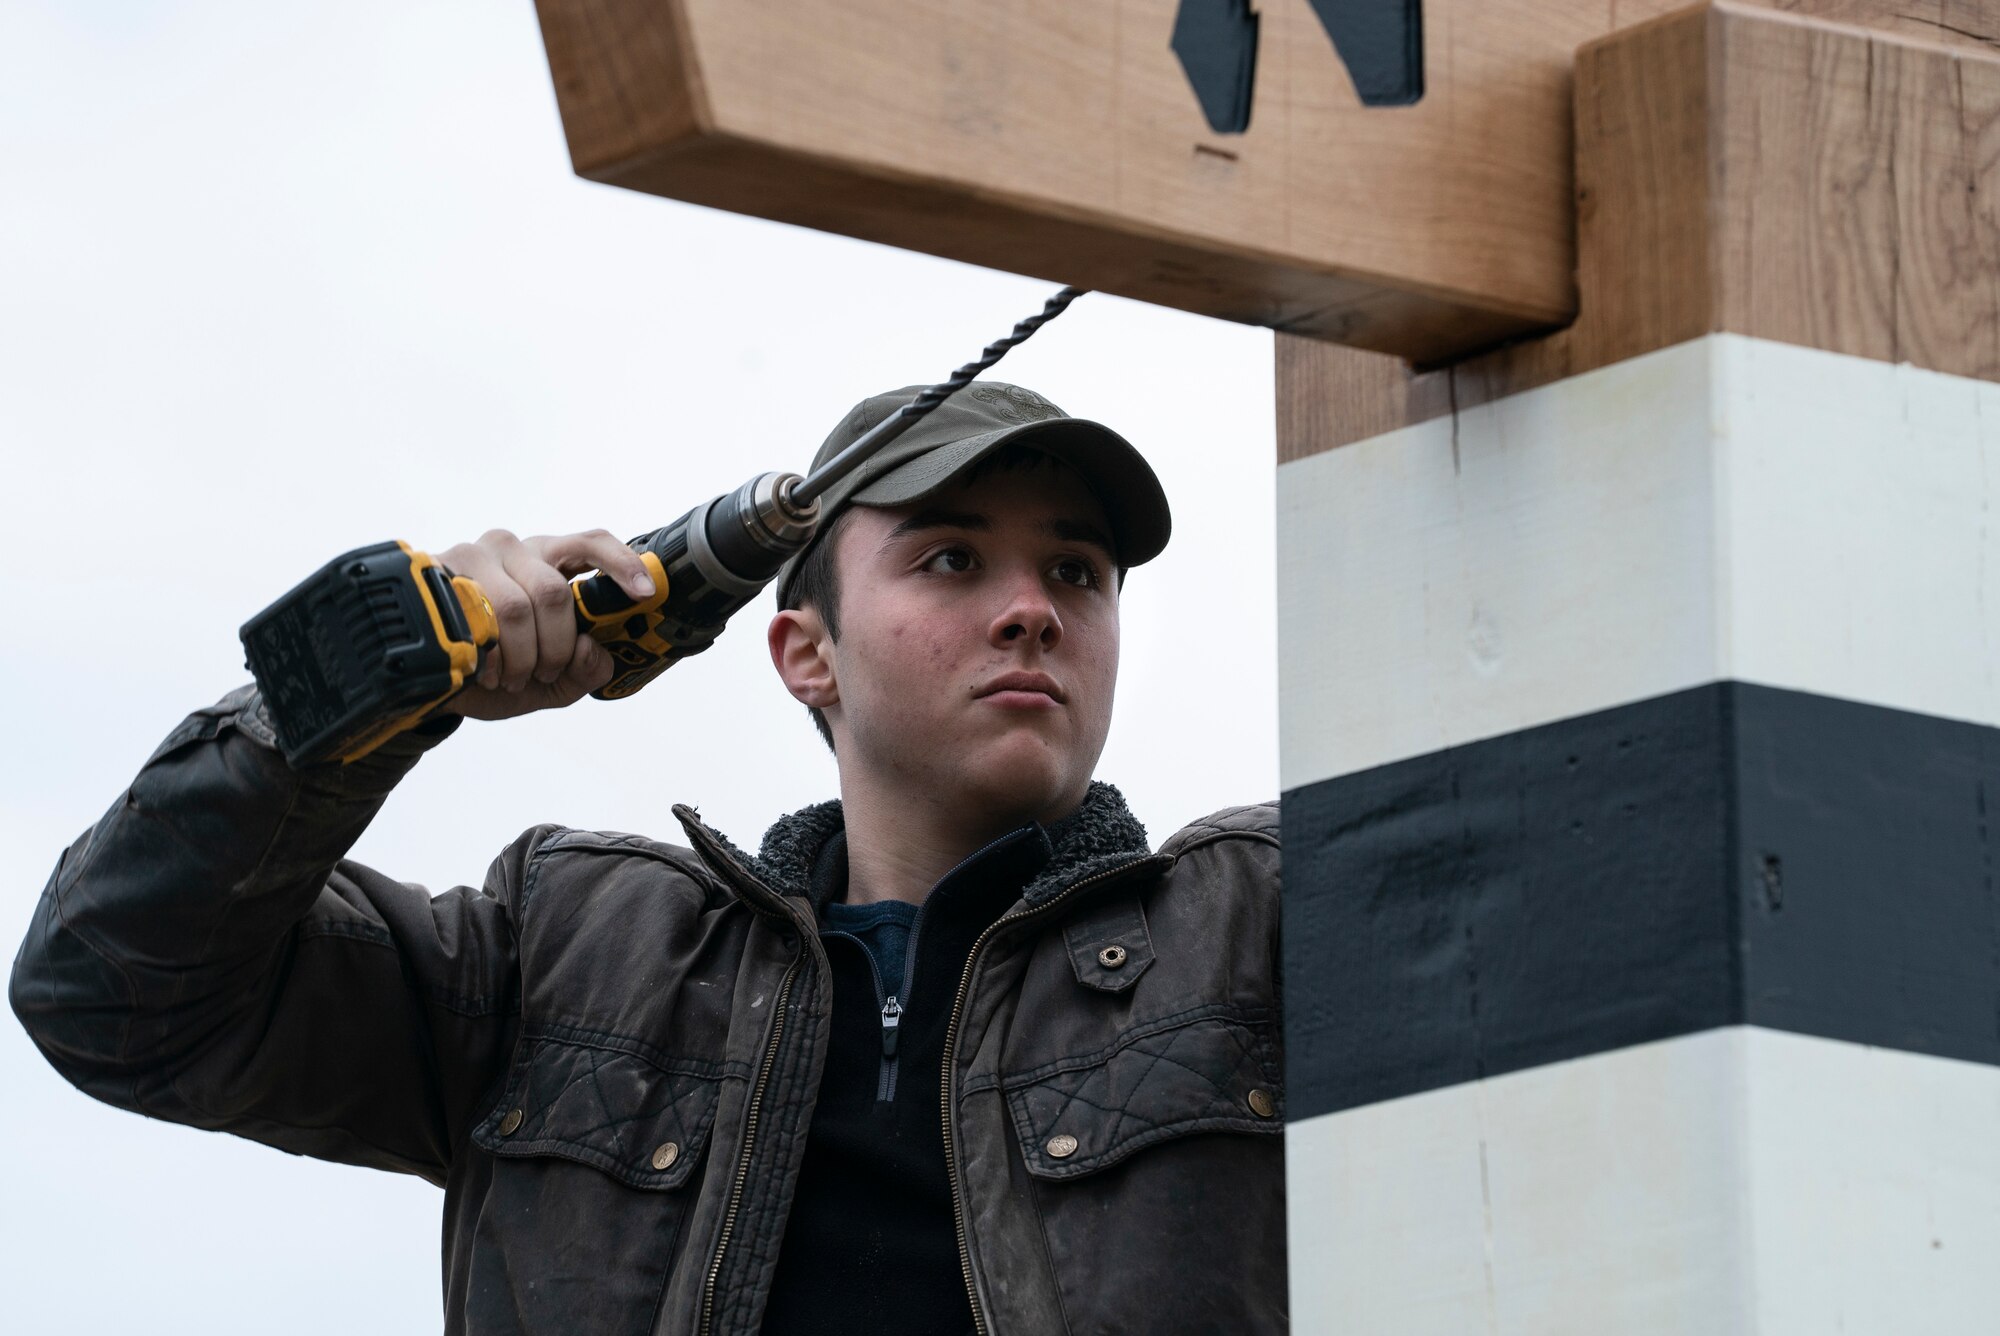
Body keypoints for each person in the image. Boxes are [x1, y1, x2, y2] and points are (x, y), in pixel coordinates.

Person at [11, 382, 1285, 1336]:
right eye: (951, 557)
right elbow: (115, 994)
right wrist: (364, 681)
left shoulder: (1252, 925)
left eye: (1077, 569)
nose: (1033, 606)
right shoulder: (569, 951)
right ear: (805, 653)